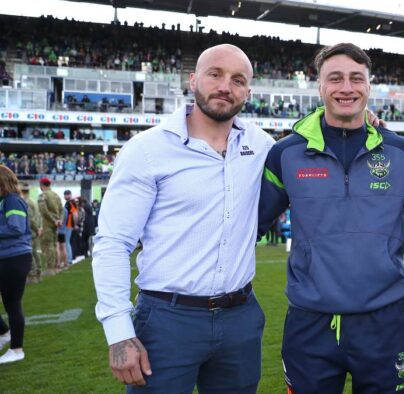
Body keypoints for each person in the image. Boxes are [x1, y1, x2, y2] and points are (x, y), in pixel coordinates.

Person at [258, 43, 404, 394]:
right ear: (320, 86)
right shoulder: (286, 154)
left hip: (384, 322)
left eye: (357, 78)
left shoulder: (401, 154)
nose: (347, 87)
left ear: (369, 86)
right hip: (309, 323)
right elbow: (248, 226)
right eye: (336, 78)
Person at [92, 44, 274, 392]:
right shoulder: (147, 149)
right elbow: (114, 242)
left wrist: (362, 120)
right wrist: (118, 332)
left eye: (238, 80)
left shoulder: (262, 146)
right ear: (193, 80)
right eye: (215, 74)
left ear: (248, 92)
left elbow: (309, 145)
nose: (225, 86)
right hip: (167, 319)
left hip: (240, 317)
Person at [0, 165, 33, 364]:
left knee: (12, 304)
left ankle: (17, 349)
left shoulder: (12, 200)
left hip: (14, 257)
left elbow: (16, 228)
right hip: (7, 257)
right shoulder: (6, 201)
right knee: (10, 303)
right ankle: (4, 333)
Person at [37, 177, 62, 275]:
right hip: (56, 224)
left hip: (47, 224)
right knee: (54, 244)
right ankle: (55, 267)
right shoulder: (56, 195)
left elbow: (44, 211)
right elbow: (61, 209)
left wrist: (54, 220)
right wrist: (59, 220)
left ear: (42, 185)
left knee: (47, 245)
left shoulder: (42, 195)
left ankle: (49, 269)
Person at [20, 183, 43, 283]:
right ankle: (38, 274)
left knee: (30, 254)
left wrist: (37, 228)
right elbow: (39, 216)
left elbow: (30, 218)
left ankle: (32, 276)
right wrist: (39, 227)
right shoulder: (32, 200)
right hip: (35, 230)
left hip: (30, 231)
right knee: (35, 253)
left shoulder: (25, 202)